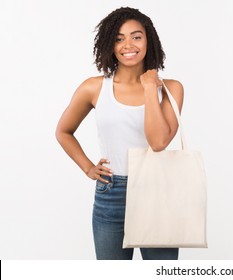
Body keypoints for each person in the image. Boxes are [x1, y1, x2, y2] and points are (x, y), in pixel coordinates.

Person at [55, 7, 183, 260]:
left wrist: (149, 88)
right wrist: (88, 168)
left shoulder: (171, 89)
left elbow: (158, 142)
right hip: (111, 192)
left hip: (155, 191)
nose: (128, 45)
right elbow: (63, 131)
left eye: (136, 36)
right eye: (118, 38)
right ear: (109, 44)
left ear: (149, 41)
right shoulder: (93, 88)